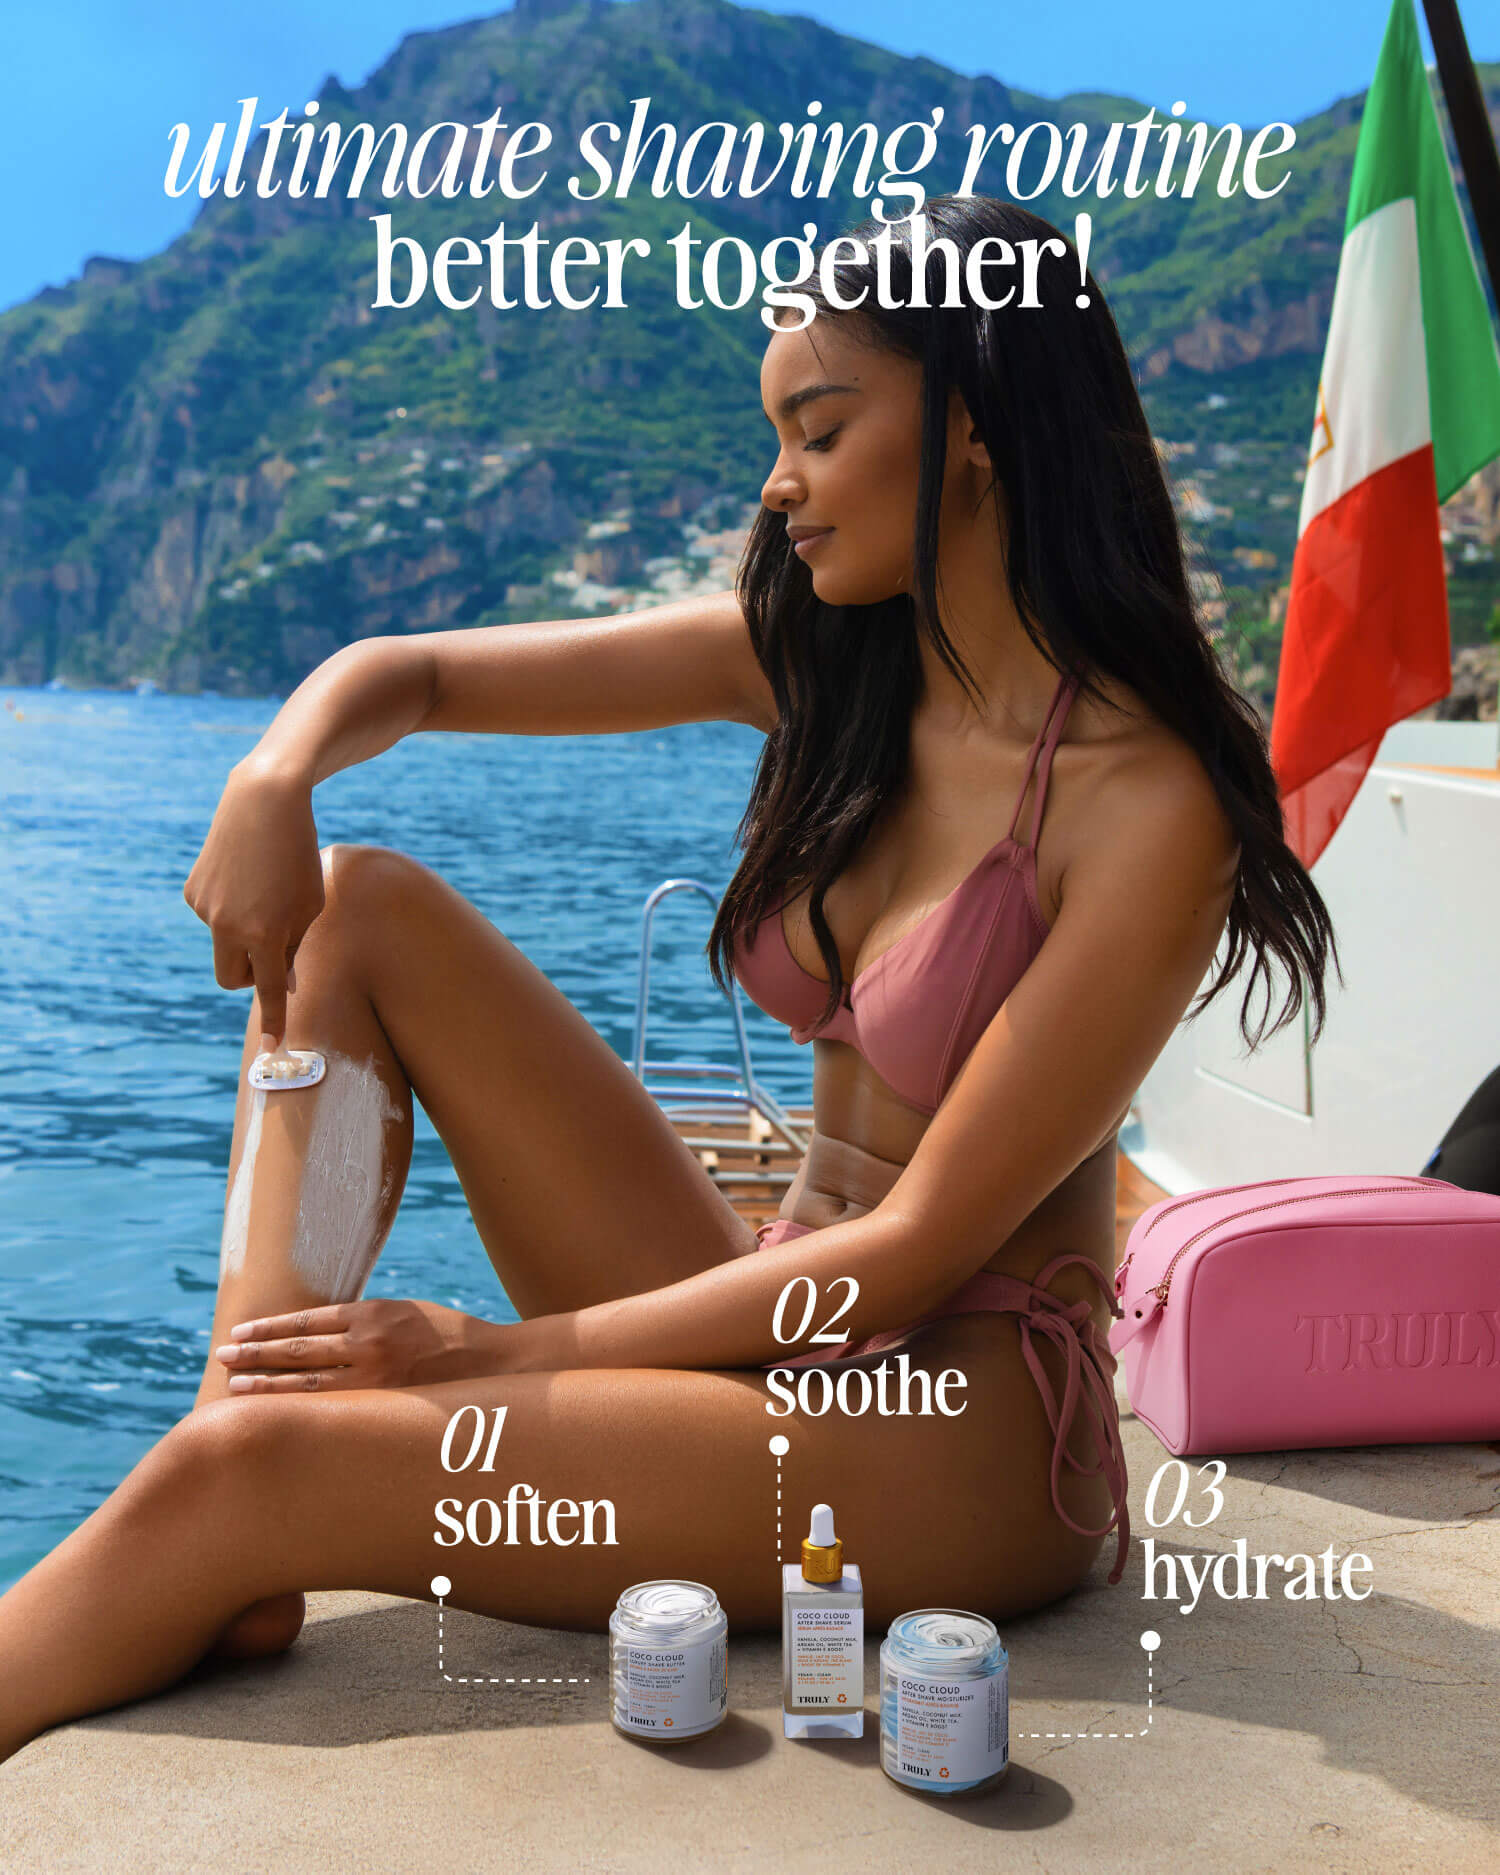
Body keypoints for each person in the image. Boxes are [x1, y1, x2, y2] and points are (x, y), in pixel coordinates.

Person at [0, 195, 1337, 1763]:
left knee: (237, 1489)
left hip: (951, 1431)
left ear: (973, 427)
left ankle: (247, 1481)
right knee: (358, 909)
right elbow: (415, 675)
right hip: (775, 1311)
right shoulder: (835, 665)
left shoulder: (1144, 800)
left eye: (820, 432)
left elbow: (905, 1256)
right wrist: (277, 770)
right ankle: (256, 1405)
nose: (781, 488)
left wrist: (478, 1352)